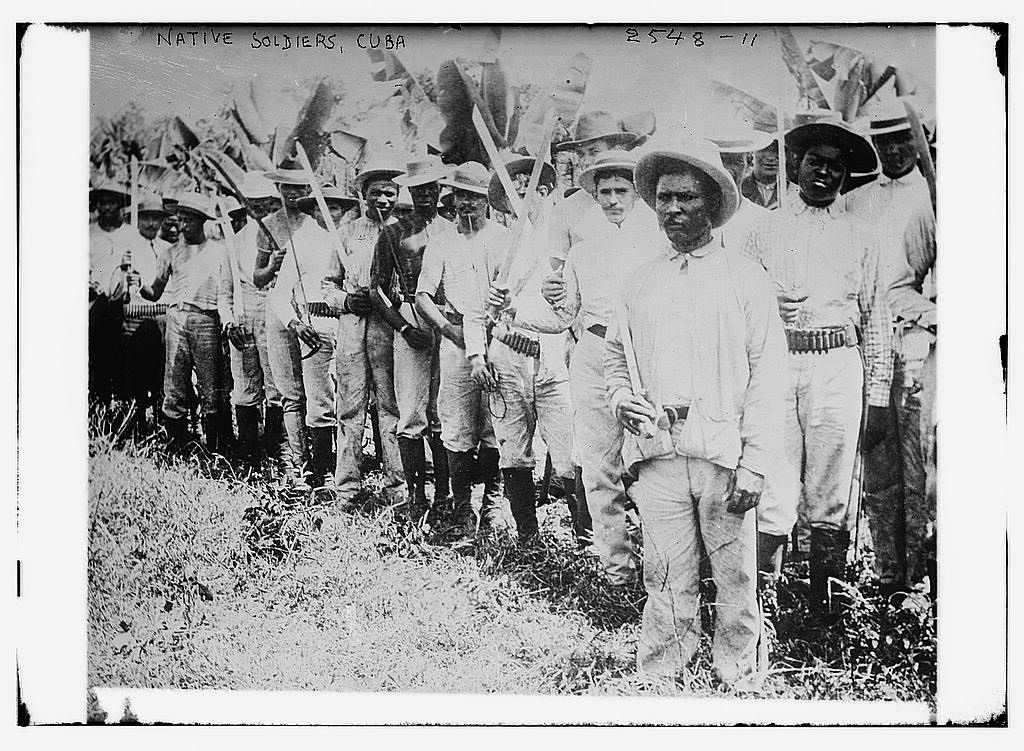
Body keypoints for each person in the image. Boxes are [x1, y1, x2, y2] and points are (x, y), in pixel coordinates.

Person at [604, 138, 786, 689]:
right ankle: (662, 675)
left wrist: (755, 463)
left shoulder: (744, 277)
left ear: (711, 203)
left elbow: (768, 378)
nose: (673, 210)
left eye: (686, 198)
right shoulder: (638, 279)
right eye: (663, 199)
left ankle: (738, 676)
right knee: (665, 573)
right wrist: (621, 400)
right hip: (658, 454)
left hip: (722, 454)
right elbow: (617, 358)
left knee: (735, 576)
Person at [742, 120, 893, 618]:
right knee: (774, 481)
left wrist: (877, 393)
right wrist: (768, 305)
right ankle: (762, 604)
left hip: (837, 367)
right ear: (796, 166)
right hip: (779, 365)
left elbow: (875, 318)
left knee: (829, 489)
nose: (823, 173)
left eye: (835, 166)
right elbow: (736, 304)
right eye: (814, 163)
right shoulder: (763, 228)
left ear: (846, 176)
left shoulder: (862, 235)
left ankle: (823, 609)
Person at [494, 149, 659, 581]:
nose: (612, 200)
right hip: (594, 351)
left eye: (621, 190)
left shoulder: (657, 245)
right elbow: (562, 316)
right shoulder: (582, 254)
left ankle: (660, 564)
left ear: (638, 194)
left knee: (651, 460)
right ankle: (616, 569)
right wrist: (513, 312)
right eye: (604, 192)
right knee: (598, 462)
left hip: (646, 356)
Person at [469, 161, 575, 545]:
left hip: (551, 357)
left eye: (525, 190)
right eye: (512, 192)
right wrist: (476, 356)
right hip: (506, 356)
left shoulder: (563, 243)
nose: (518, 201)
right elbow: (473, 309)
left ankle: (584, 541)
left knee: (568, 450)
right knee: (513, 450)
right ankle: (528, 536)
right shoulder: (493, 245)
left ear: (544, 193)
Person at [414, 162, 507, 537]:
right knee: (455, 423)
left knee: (496, 421)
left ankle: (492, 502)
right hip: (455, 339)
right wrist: (446, 329)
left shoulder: (503, 237)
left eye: (474, 197)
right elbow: (422, 296)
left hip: (496, 336)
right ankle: (462, 503)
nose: (467, 204)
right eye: (461, 197)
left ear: (487, 199)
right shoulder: (442, 240)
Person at [369, 155, 453, 521]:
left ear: (440, 191)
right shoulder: (393, 232)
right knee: (412, 413)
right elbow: (376, 290)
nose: (425, 195)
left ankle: (446, 496)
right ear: (410, 191)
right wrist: (404, 328)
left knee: (445, 412)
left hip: (449, 319)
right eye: (418, 189)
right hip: (412, 319)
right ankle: (417, 495)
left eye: (431, 188)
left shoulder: (452, 231)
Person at [321, 156, 407, 507]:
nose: (382, 200)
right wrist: (344, 300)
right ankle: (347, 488)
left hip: (388, 330)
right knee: (350, 409)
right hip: (353, 331)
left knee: (391, 408)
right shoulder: (345, 233)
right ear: (363, 196)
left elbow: (411, 284)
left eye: (389, 193)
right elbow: (327, 286)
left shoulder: (404, 232)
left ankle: (397, 487)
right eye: (375, 193)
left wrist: (396, 298)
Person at [870, 196, 937, 603]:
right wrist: (939, 316)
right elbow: (899, 287)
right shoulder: (933, 207)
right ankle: (920, 587)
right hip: (948, 352)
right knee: (931, 477)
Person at [137, 193, 231, 453]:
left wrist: (227, 323)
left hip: (206, 319)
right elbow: (155, 291)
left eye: (188, 220)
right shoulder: (169, 253)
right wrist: (138, 283)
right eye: (180, 219)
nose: (182, 225)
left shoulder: (219, 251)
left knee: (210, 385)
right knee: (175, 381)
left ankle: (215, 449)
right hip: (176, 317)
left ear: (201, 221)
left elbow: (225, 294)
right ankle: (177, 445)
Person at [267, 183, 345, 489]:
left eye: (336, 206)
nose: (329, 212)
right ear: (312, 210)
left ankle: (341, 464)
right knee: (317, 399)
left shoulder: (349, 238)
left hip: (347, 324)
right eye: (322, 206)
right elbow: (278, 295)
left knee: (345, 399)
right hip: (315, 326)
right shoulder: (302, 241)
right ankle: (314, 468)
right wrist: (295, 324)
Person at [253, 160, 318, 485]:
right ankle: (295, 460)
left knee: (318, 387)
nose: (294, 193)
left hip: (311, 306)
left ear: (308, 190)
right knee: (287, 389)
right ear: (278, 189)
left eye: (300, 188)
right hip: (279, 308)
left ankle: (322, 461)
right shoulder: (267, 224)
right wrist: (274, 264)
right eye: (288, 187)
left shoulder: (316, 223)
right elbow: (258, 277)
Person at [218, 172, 284, 462]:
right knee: (245, 384)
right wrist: (229, 322)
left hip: (275, 308)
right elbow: (224, 291)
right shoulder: (234, 243)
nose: (258, 208)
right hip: (244, 311)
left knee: (277, 383)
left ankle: (276, 452)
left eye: (264, 202)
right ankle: (248, 453)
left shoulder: (282, 235)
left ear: (272, 202)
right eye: (251, 202)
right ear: (243, 204)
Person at [548, 111, 642, 268]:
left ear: (615, 148)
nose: (586, 160)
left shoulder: (643, 200)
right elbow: (559, 270)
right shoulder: (565, 210)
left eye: (594, 151)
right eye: (580, 154)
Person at [122, 192, 171, 433]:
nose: (151, 224)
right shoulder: (129, 249)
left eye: (156, 218)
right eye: (146, 218)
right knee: (138, 372)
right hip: (135, 318)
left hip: (163, 318)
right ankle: (138, 421)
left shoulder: (168, 249)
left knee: (163, 373)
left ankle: (164, 422)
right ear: (138, 219)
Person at [89, 180, 134, 411]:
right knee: (98, 355)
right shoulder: (89, 234)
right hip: (96, 303)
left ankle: (123, 407)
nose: (107, 208)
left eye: (111, 203)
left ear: (119, 205)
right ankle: (100, 405)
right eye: (102, 203)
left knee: (122, 356)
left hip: (125, 305)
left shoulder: (129, 233)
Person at [709, 129, 774, 251]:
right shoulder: (696, 217)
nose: (727, 169)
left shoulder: (764, 221)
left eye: (735, 161)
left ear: (748, 163)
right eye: (720, 160)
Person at [741, 140, 780, 210]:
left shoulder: (794, 191)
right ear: (751, 154)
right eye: (764, 150)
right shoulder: (739, 190)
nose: (771, 158)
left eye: (777, 151)